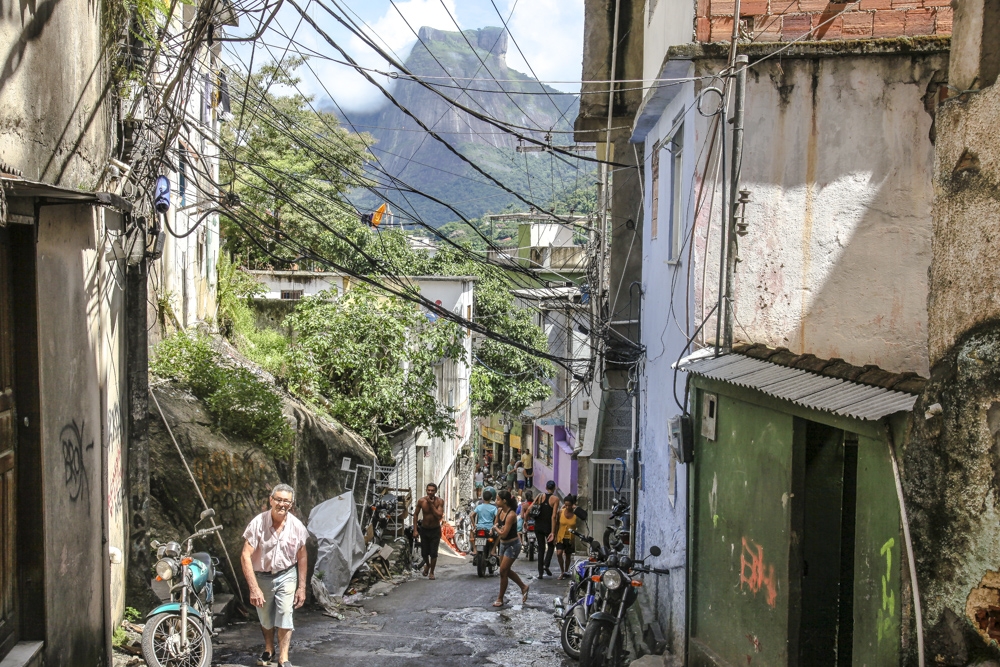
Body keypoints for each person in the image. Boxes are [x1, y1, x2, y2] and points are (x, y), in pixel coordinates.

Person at [241, 483, 309, 667]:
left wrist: (302, 587)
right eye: (278, 499)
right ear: (271, 500)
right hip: (262, 576)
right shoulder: (258, 523)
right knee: (265, 617)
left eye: (286, 501)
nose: (282, 504)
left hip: (287, 574)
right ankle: (269, 649)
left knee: (286, 613)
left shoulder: (297, 526)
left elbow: (302, 556)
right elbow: (245, 555)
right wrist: (253, 588)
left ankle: (284, 658)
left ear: (291, 504)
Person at [492, 490, 529, 607]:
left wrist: (496, 528)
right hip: (503, 544)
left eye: (498, 499)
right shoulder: (499, 511)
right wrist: (497, 528)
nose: (496, 501)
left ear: (504, 501)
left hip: (513, 545)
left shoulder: (511, 514)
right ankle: (523, 587)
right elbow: (497, 524)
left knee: (503, 570)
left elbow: (503, 533)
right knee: (504, 571)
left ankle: (500, 598)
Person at [413, 483, 445, 580]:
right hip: (424, 529)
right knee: (424, 553)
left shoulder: (440, 501)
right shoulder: (421, 501)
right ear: (426, 490)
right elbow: (415, 515)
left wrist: (431, 505)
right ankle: (428, 564)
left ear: (435, 492)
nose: (430, 492)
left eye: (432, 490)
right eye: (429, 490)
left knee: (434, 553)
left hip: (435, 530)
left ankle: (431, 572)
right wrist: (415, 530)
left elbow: (439, 516)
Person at [532, 480, 560, 578]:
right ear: (554, 488)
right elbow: (553, 516)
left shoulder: (539, 496)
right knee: (551, 546)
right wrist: (553, 532)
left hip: (538, 526)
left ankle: (540, 573)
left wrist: (525, 521)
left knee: (541, 548)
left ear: (546, 487)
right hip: (548, 527)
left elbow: (530, 508)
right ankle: (546, 564)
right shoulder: (555, 499)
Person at [555, 494, 578, 579]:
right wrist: (555, 535)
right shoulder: (561, 512)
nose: (567, 507)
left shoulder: (575, 514)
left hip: (570, 538)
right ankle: (562, 571)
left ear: (572, 505)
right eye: (566, 505)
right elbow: (557, 523)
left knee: (568, 556)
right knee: (559, 553)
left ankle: (565, 571)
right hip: (561, 536)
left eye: (569, 505)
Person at [472, 487, 499, 555]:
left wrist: (475, 527)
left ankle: (475, 550)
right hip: (489, 529)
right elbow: (497, 517)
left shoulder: (479, 506)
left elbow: (471, 516)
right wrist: (493, 527)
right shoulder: (494, 508)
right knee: (499, 536)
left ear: (483, 498)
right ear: (491, 498)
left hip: (479, 528)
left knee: (471, 533)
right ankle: (493, 550)